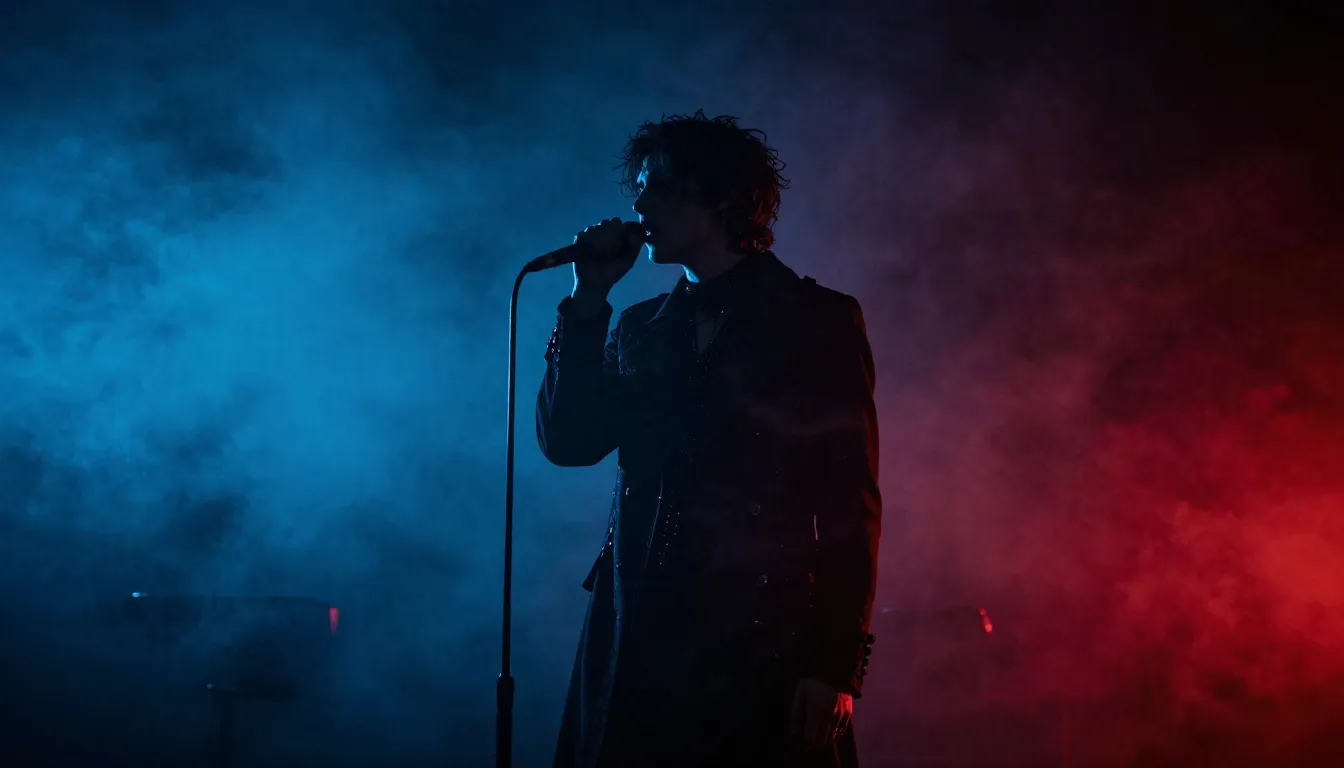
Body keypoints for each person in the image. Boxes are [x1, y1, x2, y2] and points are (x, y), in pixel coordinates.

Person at [538, 111, 881, 768]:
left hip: (759, 637)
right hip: (641, 634)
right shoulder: (639, 326)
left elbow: (849, 504)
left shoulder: (816, 320)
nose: (640, 207)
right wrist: (586, 305)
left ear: (722, 196)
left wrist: (833, 665)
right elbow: (569, 442)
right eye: (638, 190)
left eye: (658, 188)